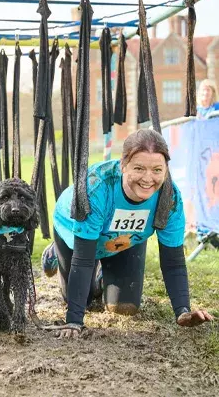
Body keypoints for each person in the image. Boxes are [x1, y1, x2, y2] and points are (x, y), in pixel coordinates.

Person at [42, 129, 214, 338]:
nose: (148, 178)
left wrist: (182, 311)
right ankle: (55, 252)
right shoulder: (98, 188)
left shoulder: (169, 200)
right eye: (139, 168)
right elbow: (83, 260)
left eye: (157, 170)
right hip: (76, 236)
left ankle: (103, 269)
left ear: (166, 169)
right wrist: (74, 322)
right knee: (82, 302)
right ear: (123, 165)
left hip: (123, 240)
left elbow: (173, 262)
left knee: (125, 307)